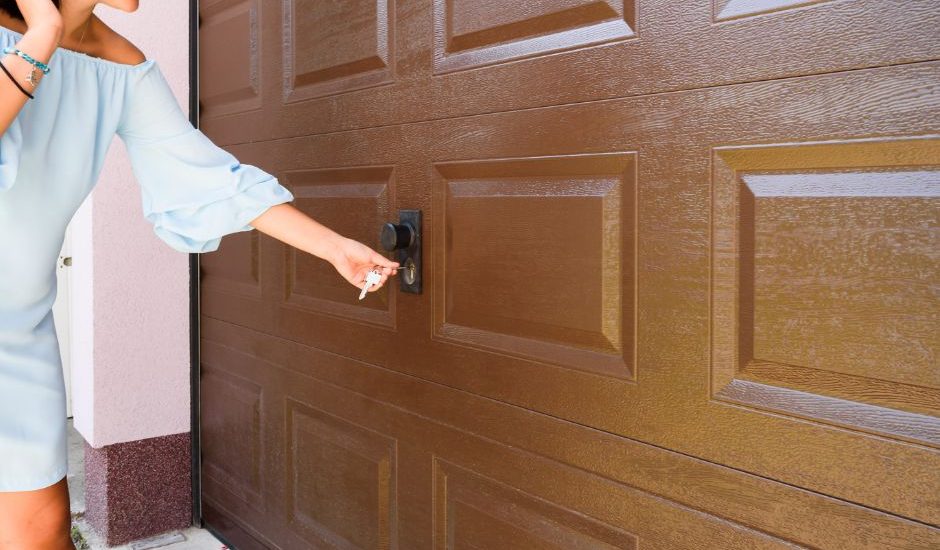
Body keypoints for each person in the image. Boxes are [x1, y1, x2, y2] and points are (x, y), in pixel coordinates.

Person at [0, 0, 399, 547]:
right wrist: (42, 33)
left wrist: (332, 247)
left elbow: (205, 179)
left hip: (16, 331)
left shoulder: (122, 65)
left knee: (41, 529)